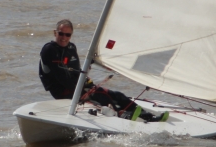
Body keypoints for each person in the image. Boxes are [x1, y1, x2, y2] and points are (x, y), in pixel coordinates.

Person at [39, 19, 168, 122]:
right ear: (55, 33)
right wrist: (82, 89)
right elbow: (61, 78)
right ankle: (125, 117)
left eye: (67, 34)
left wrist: (86, 82)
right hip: (63, 92)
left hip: (78, 88)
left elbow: (76, 71)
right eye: (61, 33)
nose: (64, 37)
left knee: (117, 95)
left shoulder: (71, 47)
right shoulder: (50, 50)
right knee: (103, 101)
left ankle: (148, 117)